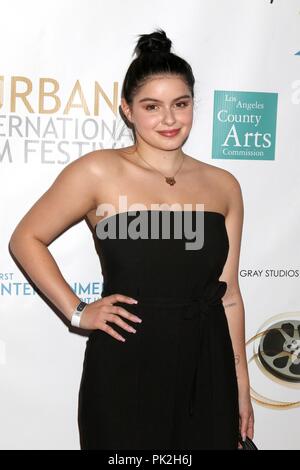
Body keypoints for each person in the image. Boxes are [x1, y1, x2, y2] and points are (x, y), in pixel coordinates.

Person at [9, 28, 254, 450]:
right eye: (152, 106)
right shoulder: (98, 172)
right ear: (127, 110)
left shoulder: (223, 185)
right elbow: (26, 238)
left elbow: (229, 294)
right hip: (128, 362)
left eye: (181, 104)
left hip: (208, 365)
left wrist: (241, 383)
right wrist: (78, 311)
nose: (170, 119)